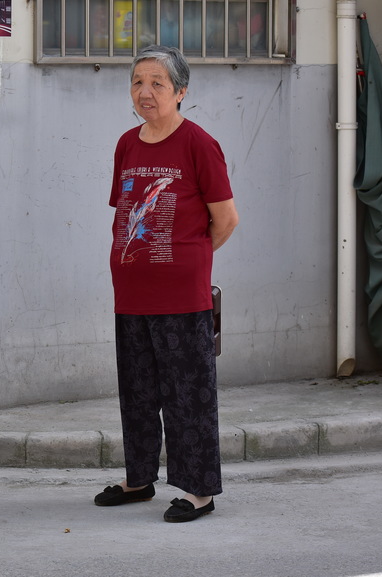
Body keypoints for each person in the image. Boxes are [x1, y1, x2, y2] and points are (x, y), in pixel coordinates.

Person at [94, 45, 238, 523]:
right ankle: (139, 479)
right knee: (136, 391)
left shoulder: (199, 144)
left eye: (158, 83)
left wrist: (189, 260)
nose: (145, 92)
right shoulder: (126, 144)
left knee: (187, 394)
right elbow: (124, 210)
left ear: (181, 92)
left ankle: (199, 490)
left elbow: (226, 219)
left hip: (181, 296)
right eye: (138, 81)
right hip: (131, 294)